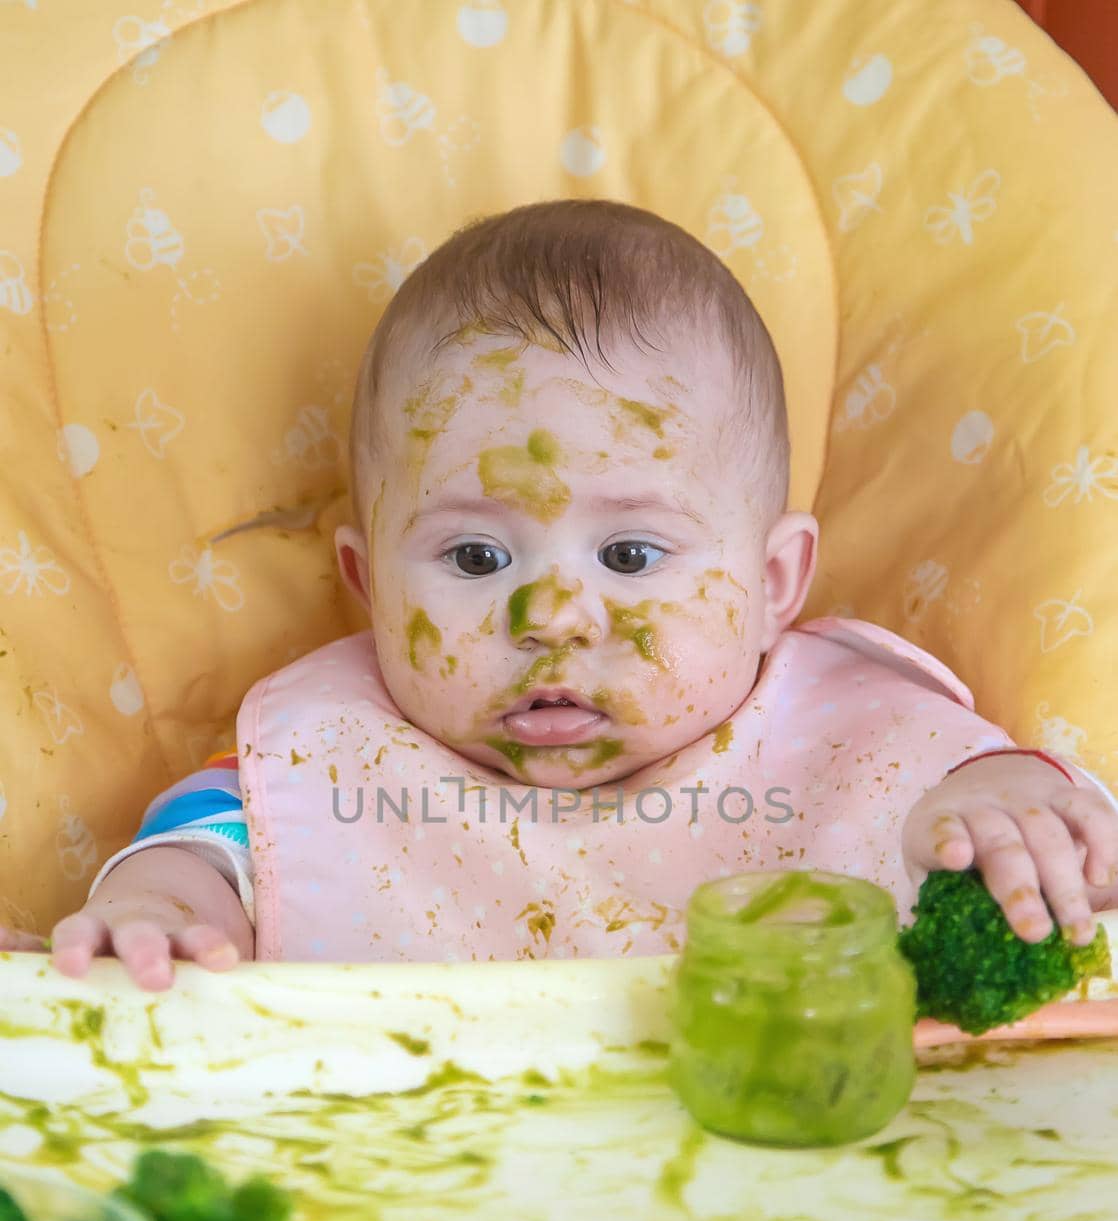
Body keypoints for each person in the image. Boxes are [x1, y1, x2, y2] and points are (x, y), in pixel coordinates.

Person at [8, 200, 1116, 990]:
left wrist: (1011, 808)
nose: (551, 620)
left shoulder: (852, 731)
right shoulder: (328, 748)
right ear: (368, 584)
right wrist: (158, 911)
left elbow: (1004, 801)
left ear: (774, 582)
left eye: (629, 558)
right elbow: (212, 846)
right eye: (477, 561)